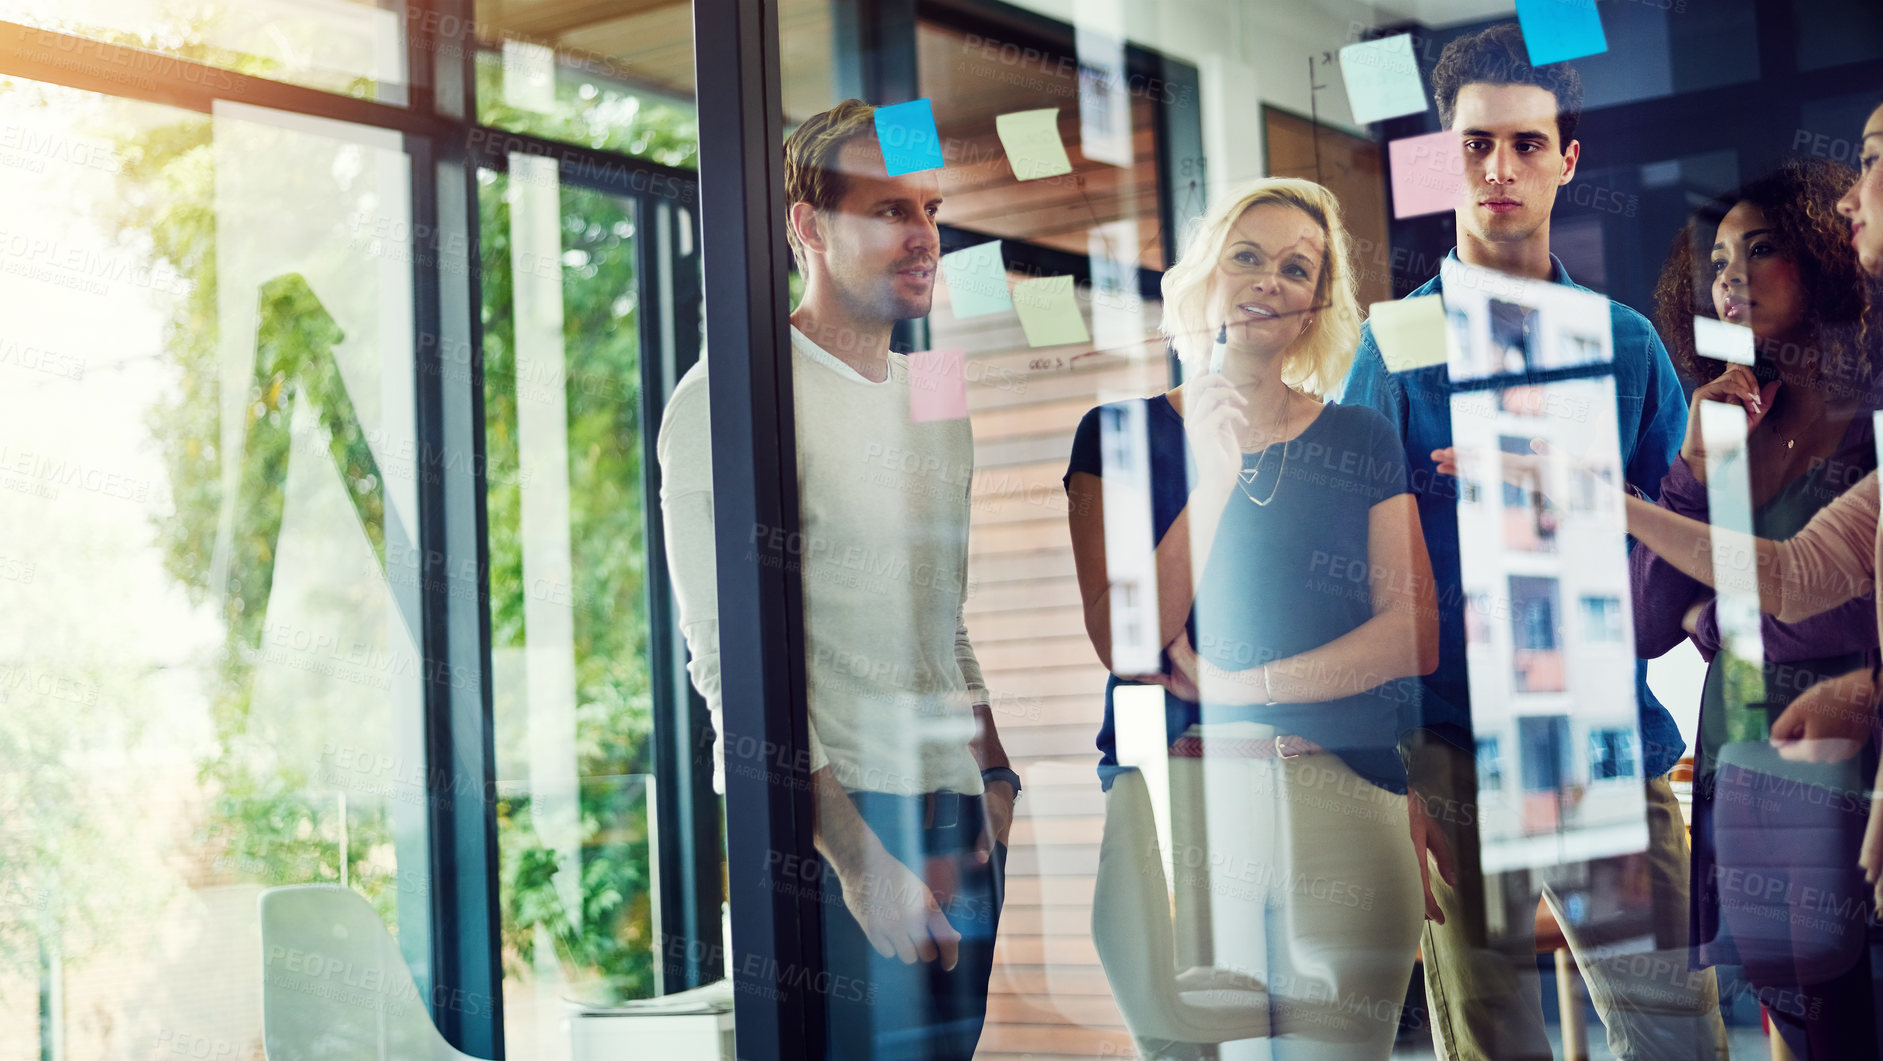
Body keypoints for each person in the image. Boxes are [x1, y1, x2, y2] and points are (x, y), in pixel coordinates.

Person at [1337, 23, 1726, 1061]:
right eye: (1472, 146)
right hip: (1447, 749)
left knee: (1674, 1037)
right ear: (1442, 157)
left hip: (1598, 734)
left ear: (1566, 159)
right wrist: (1387, 777)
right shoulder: (1390, 347)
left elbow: (1674, 555)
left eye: (1522, 144)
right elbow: (1352, 576)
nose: (1497, 169)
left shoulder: (1622, 347)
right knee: (1491, 1042)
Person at [656, 98, 1017, 1060]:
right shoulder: (728, 396)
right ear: (806, 226)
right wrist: (859, 866)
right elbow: (728, 666)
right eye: (891, 211)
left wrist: (996, 778)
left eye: (931, 209)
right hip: (835, 834)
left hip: (953, 816)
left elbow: (946, 615)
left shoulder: (936, 393)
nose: (924, 236)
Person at [1065, 176, 1439, 1058]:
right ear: (1204, 275)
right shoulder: (1114, 435)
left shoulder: (1359, 438)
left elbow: (1412, 633)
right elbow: (1126, 640)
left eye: (1295, 268)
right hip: (1175, 800)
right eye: (1246, 256)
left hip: (1341, 801)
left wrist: (1245, 685)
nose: (1268, 279)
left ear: (1313, 309)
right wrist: (1216, 473)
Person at [1631, 157, 1881, 1057]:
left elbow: (1811, 605)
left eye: (1760, 247)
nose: (1729, 275)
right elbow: (1648, 620)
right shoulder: (1724, 427)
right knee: (1801, 1022)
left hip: (1857, 766)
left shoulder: (1872, 419)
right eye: (1718, 259)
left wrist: (1736, 614)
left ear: (1824, 252)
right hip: (1750, 774)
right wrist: (1692, 472)